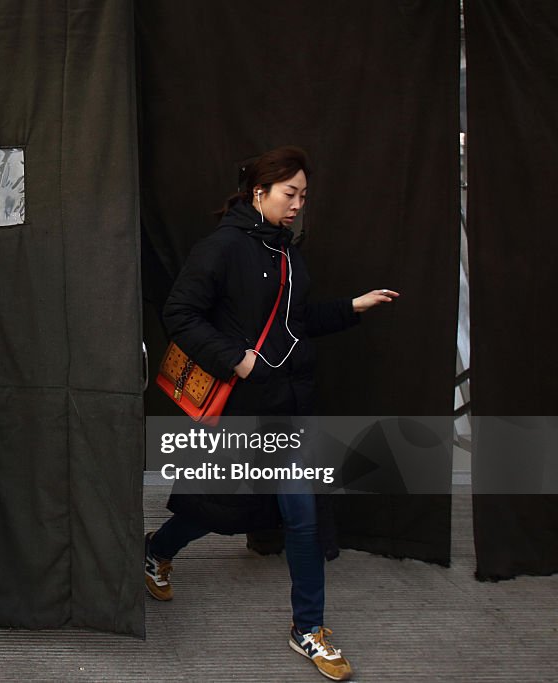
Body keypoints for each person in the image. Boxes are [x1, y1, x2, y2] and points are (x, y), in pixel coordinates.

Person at [145, 146, 397, 682]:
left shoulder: (288, 253)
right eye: (290, 194)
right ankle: (155, 551)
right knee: (217, 507)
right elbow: (179, 314)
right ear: (258, 192)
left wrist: (352, 307)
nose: (298, 206)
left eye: (304, 196)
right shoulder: (223, 248)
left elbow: (297, 321)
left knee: (300, 516)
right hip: (245, 408)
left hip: (290, 407)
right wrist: (237, 361)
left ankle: (307, 629)